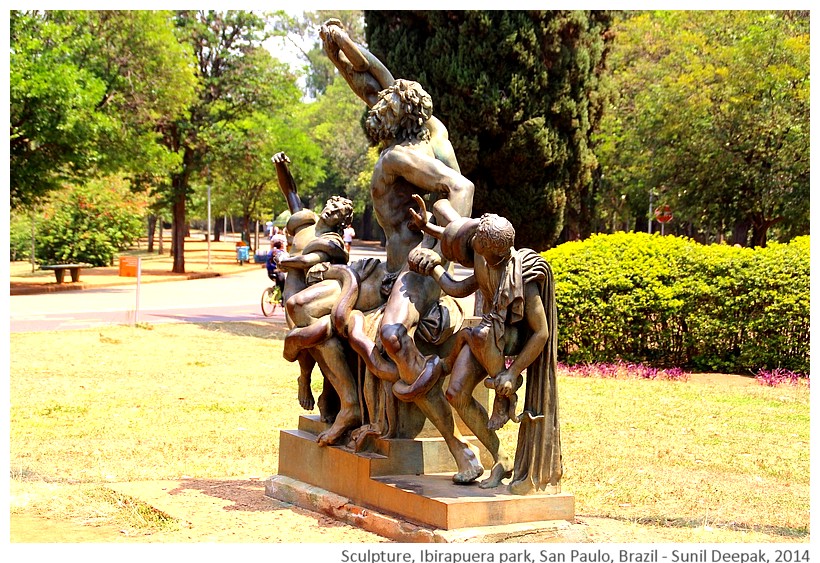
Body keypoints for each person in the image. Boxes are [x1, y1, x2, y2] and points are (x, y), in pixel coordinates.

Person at [408, 199, 562, 495]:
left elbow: (541, 333)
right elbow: (457, 287)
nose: (473, 244)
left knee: (478, 333)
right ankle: (500, 459)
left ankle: (505, 390)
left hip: (513, 338)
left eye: (479, 243)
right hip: (485, 335)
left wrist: (513, 370)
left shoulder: (521, 279)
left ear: (496, 252)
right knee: (455, 393)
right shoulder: (481, 249)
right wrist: (434, 261)